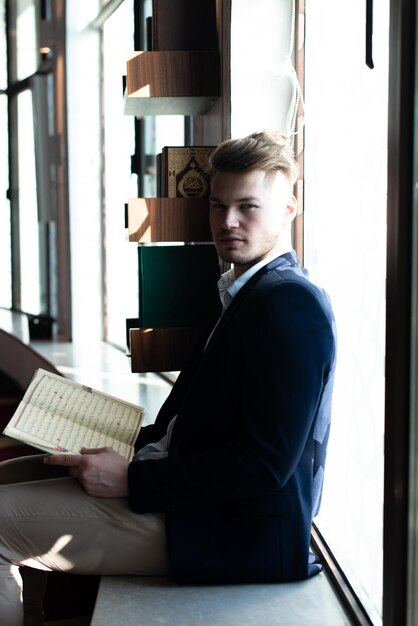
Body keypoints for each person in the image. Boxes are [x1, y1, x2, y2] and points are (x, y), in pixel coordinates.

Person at [0, 130, 336, 625]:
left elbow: (265, 465)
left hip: (229, 530)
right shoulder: (249, 291)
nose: (227, 222)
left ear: (289, 207)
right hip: (194, 497)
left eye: (247, 207)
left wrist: (133, 478)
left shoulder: (288, 304)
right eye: (218, 206)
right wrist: (106, 431)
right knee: (11, 474)